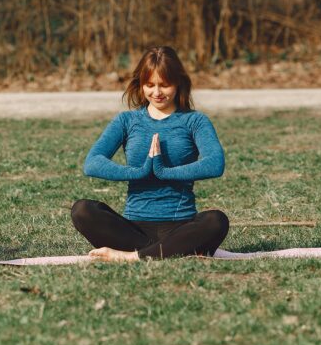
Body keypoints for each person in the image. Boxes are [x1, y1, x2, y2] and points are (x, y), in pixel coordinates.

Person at [71, 46, 229, 261]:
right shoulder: (126, 121)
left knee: (216, 221)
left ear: (179, 82)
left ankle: (131, 257)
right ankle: (164, 252)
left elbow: (215, 164)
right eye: (150, 85)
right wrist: (140, 171)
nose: (157, 93)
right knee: (82, 210)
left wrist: (164, 171)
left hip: (181, 228)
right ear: (140, 84)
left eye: (164, 85)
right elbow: (93, 163)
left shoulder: (195, 121)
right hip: (133, 231)